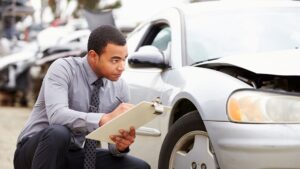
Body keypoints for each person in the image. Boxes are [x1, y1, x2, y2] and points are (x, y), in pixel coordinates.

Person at [13, 25, 151, 169]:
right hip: (34, 153)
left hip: (72, 154)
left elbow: (113, 146)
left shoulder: (120, 87)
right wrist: (103, 119)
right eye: (115, 60)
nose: (122, 67)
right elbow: (57, 116)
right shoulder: (63, 68)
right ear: (93, 56)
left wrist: (120, 146)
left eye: (124, 59)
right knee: (59, 133)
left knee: (139, 167)